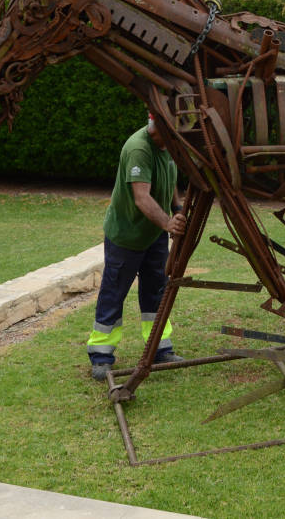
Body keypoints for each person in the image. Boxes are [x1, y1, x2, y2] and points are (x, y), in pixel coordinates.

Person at [86, 115, 186, 381]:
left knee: (156, 291)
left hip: (153, 234)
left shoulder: (169, 147)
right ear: (160, 127)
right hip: (126, 236)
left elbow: (170, 176)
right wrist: (168, 223)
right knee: (114, 293)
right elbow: (141, 197)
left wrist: (176, 208)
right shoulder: (139, 148)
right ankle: (101, 357)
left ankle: (160, 349)